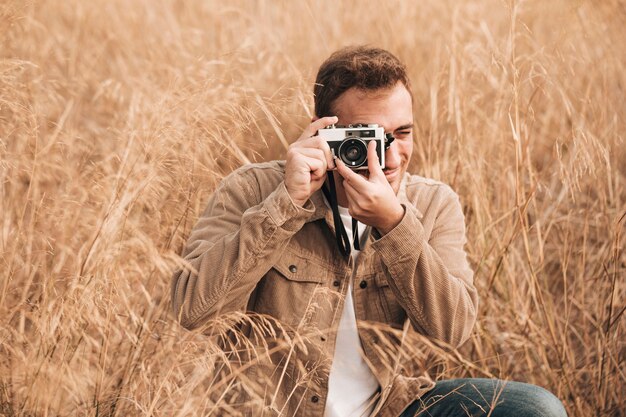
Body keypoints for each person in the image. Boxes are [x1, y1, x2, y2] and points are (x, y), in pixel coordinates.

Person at [172, 46, 567, 417]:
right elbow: (192, 310)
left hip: (384, 407)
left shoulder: (433, 204)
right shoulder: (253, 190)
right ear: (323, 132)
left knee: (535, 408)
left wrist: (395, 225)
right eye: (368, 138)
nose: (391, 157)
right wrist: (285, 205)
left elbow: (453, 329)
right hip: (271, 409)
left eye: (402, 133)